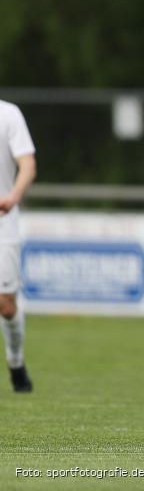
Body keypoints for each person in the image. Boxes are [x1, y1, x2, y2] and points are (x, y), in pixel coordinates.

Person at [0, 100, 36, 393]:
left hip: (3, 221)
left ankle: (16, 361)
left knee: (5, 305)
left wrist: (13, 196)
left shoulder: (8, 114)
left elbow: (27, 164)